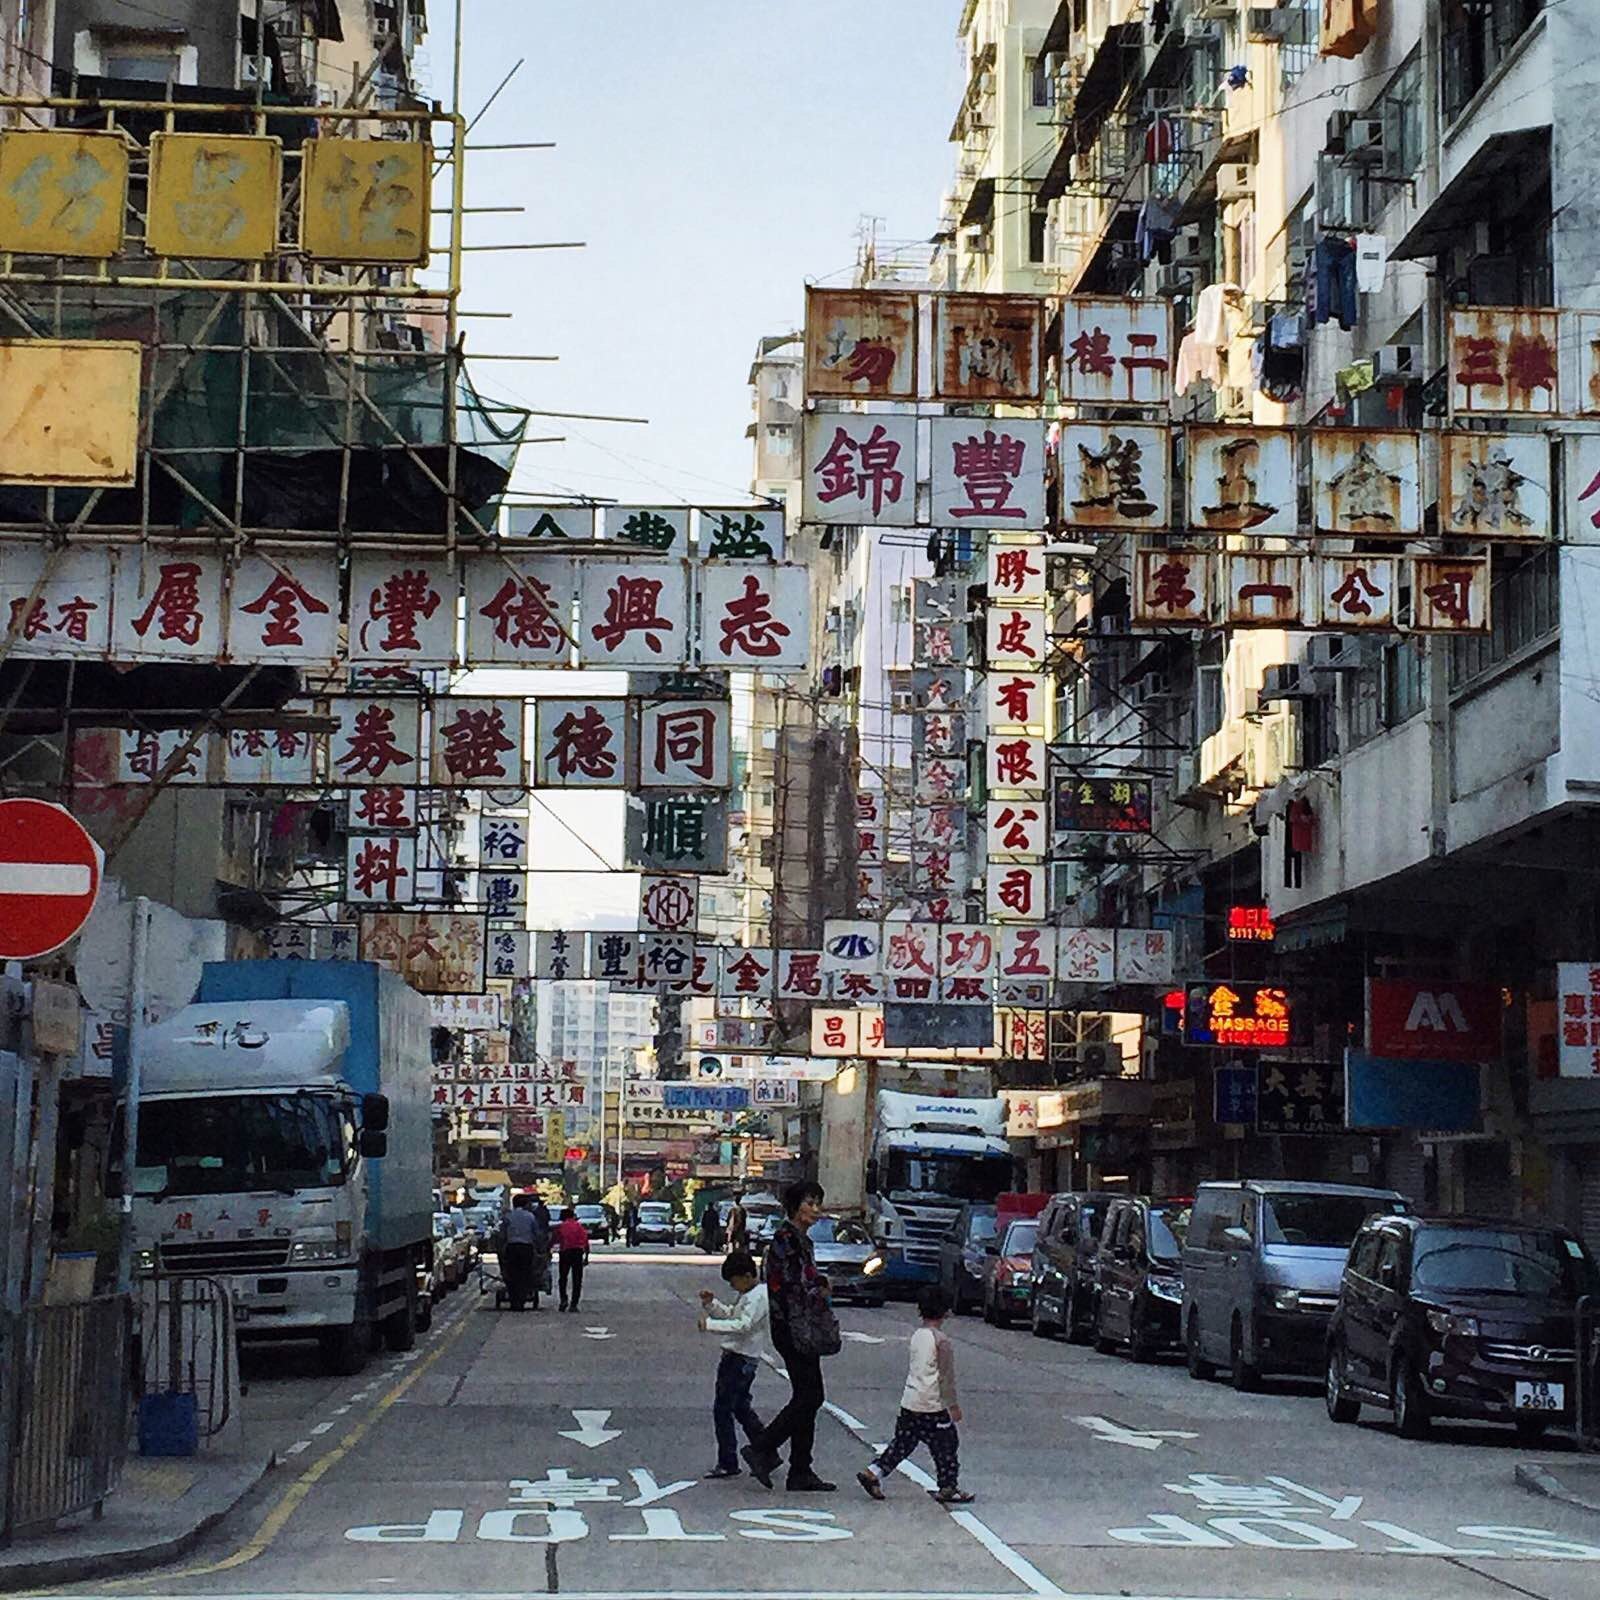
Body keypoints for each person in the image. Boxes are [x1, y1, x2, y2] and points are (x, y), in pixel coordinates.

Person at [742, 1179, 836, 1493]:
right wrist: (818, 1289)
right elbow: (790, 1287)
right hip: (793, 1328)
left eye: (818, 1203)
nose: (815, 1209)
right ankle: (763, 1447)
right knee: (811, 1396)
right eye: (810, 1203)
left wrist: (818, 1284)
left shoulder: (801, 1240)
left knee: (807, 1397)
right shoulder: (786, 1239)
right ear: (795, 1206)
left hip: (802, 1326)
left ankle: (800, 1469)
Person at [856, 1285, 973, 1505]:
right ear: (946, 1311)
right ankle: (948, 1487)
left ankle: (874, 1472)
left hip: (910, 1401)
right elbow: (945, 1378)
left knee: (903, 1443)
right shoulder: (942, 1341)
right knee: (947, 1446)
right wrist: (953, 1405)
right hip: (932, 1405)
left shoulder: (917, 1335)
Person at [698, 1249, 769, 1479]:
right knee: (740, 1408)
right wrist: (712, 1305)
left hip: (740, 1358)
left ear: (747, 1275)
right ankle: (766, 1450)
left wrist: (710, 1325)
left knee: (724, 1410)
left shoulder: (758, 1296)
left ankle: (728, 1461)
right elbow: (732, 1315)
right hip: (739, 1357)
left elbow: (743, 1325)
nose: (733, 1286)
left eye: (734, 1281)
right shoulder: (750, 1295)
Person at [501, 1193, 539, 1312]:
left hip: (512, 1247)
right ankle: (521, 1300)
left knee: (512, 1274)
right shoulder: (530, 1216)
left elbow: (502, 1233)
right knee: (525, 1273)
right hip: (526, 1247)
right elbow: (535, 1233)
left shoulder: (509, 1216)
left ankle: (514, 1300)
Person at [553, 1205, 590, 1312]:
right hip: (577, 1253)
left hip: (565, 1252)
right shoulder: (579, 1226)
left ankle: (563, 1299)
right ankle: (574, 1304)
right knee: (577, 1279)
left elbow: (554, 1239)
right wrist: (586, 1256)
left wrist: (547, 1249)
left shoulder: (561, 1226)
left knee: (563, 1278)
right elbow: (585, 1242)